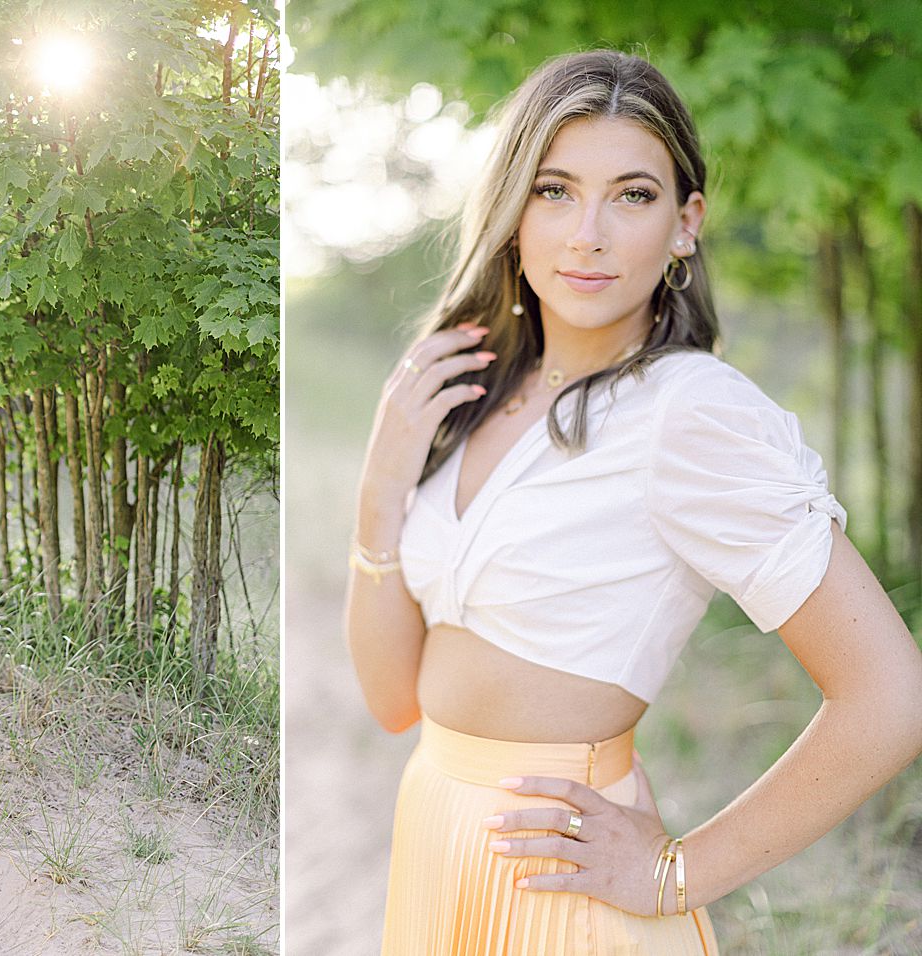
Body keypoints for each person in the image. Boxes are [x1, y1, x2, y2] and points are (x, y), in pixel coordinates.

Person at [347, 50, 922, 954]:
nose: (589, 234)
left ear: (685, 224)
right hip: (436, 843)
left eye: (634, 195)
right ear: (511, 212)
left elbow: (891, 697)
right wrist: (383, 486)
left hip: (565, 889)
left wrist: (676, 870)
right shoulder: (477, 393)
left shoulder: (689, 413)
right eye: (555, 190)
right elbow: (392, 700)